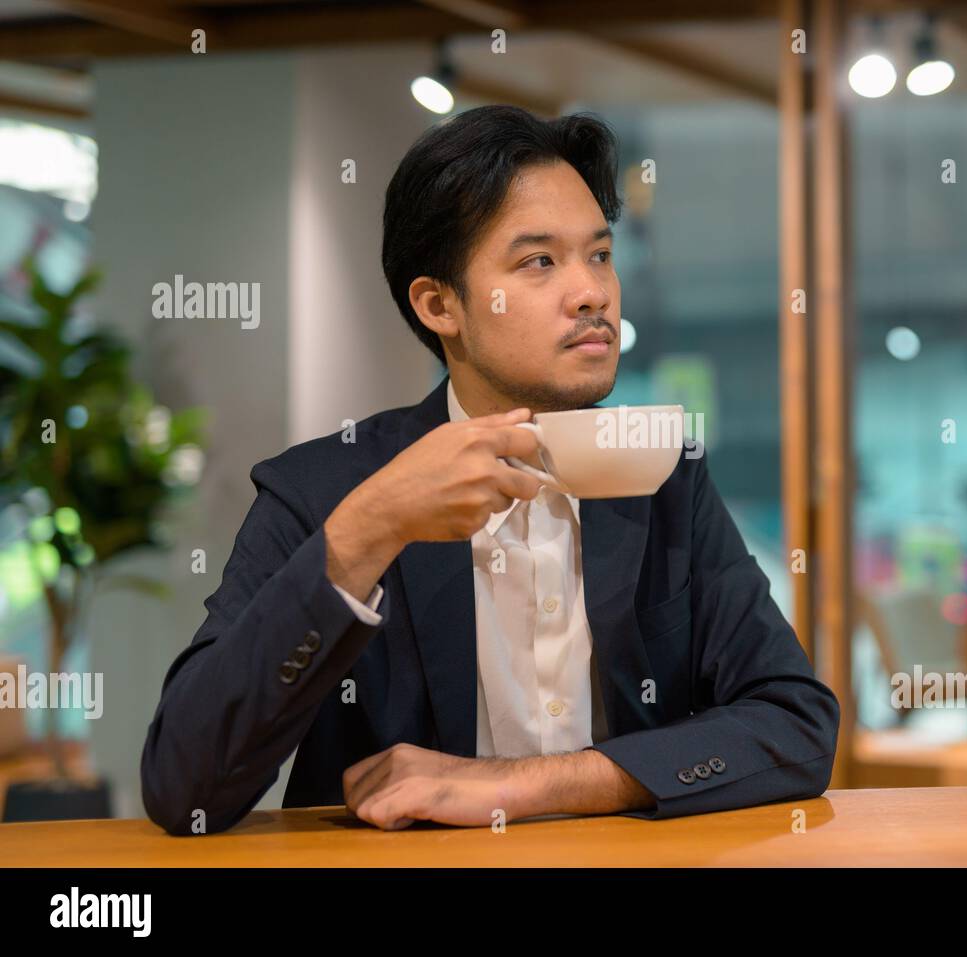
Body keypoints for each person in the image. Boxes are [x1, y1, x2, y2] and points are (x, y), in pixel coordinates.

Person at [140, 104, 839, 835]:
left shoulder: (660, 474)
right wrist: (368, 530)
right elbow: (184, 786)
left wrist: (521, 786)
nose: (592, 291)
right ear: (440, 304)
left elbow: (795, 723)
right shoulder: (322, 492)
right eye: (539, 262)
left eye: (599, 254)